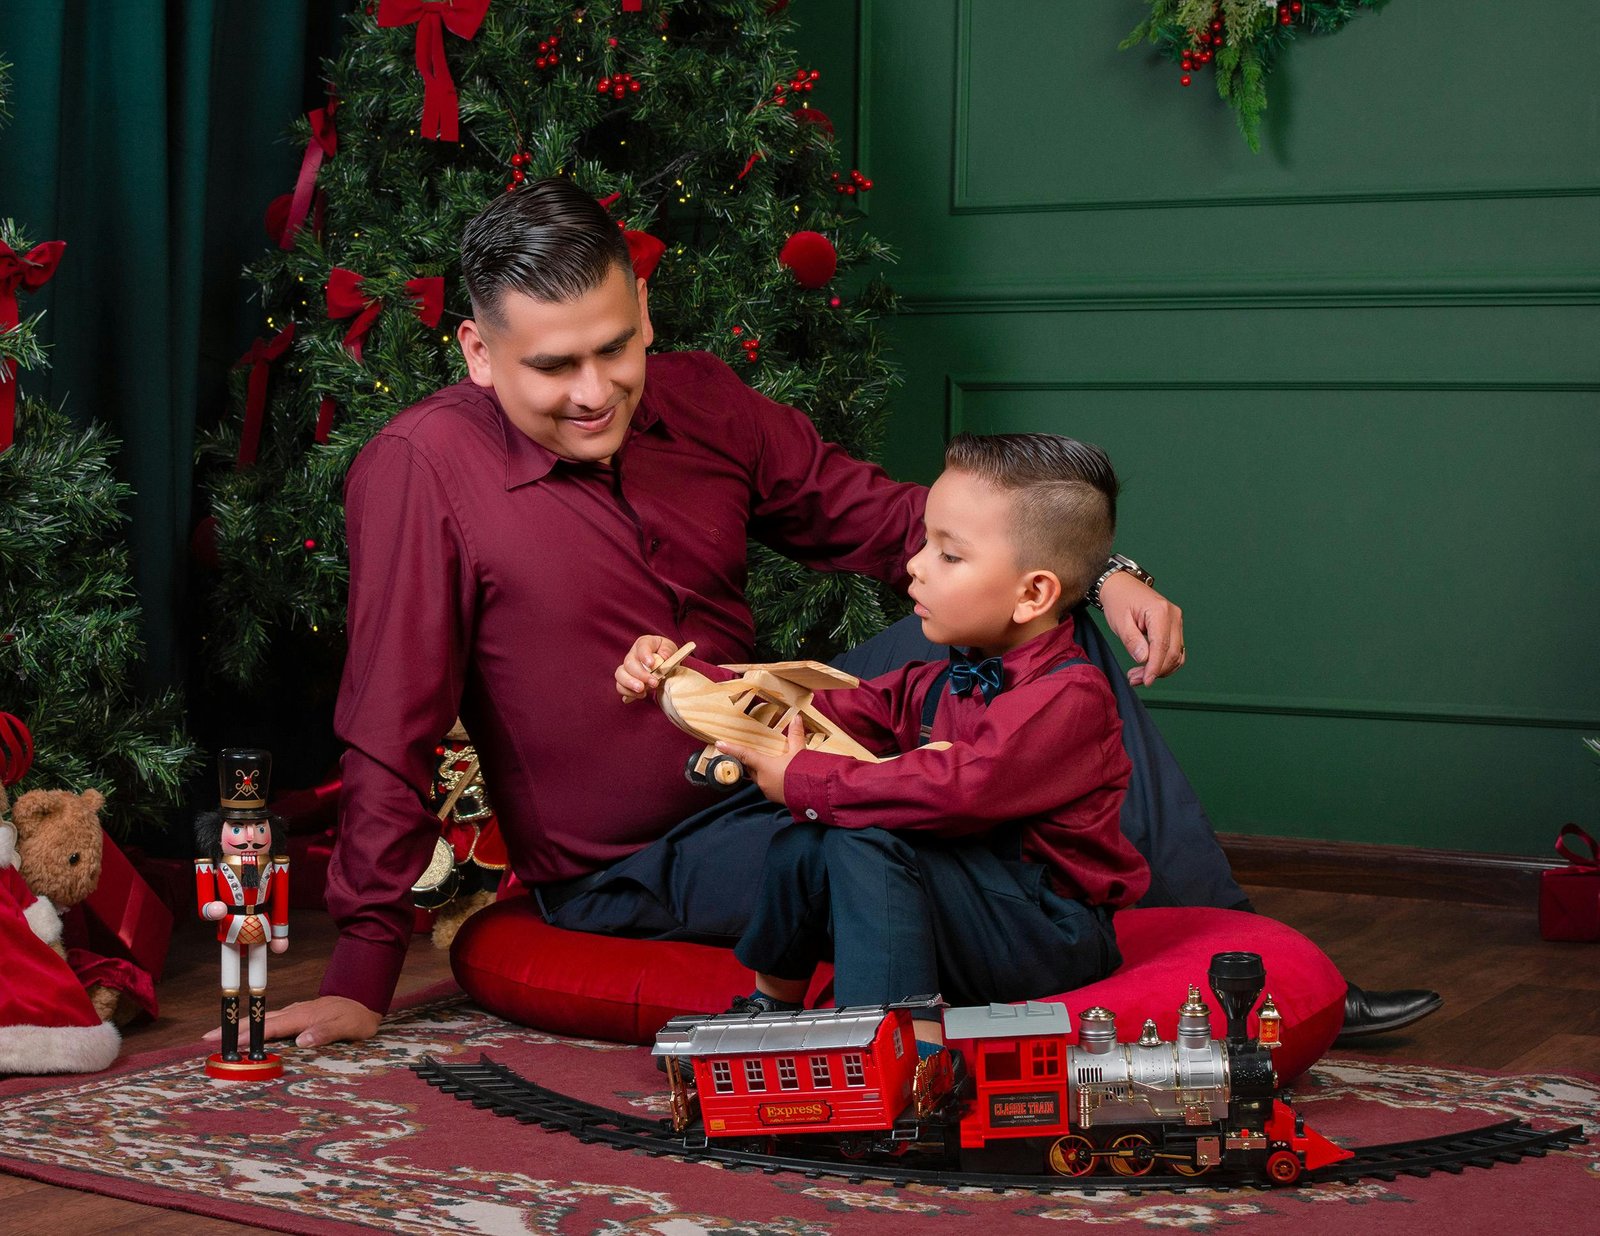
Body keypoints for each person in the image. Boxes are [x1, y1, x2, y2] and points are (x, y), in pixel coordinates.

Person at [246, 177, 1436, 1050]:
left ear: (644, 311)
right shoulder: (420, 470)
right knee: (893, 829)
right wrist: (361, 971)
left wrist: (1101, 568)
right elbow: (386, 721)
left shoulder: (702, 400)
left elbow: (884, 520)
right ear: (476, 353)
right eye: (553, 368)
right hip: (642, 858)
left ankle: (1236, 968)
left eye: (616, 348)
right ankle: (896, 1054)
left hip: (797, 738)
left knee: (1044, 628)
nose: (596, 389)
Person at [620, 433, 1147, 1049]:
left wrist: (805, 779)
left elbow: (961, 788)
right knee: (808, 831)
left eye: (949, 556)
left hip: (1044, 934)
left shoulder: (1069, 698)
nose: (915, 566)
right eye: (925, 542)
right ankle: (773, 1005)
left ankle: (900, 1045)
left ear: (1033, 594)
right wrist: (687, 676)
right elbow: (830, 706)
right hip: (965, 918)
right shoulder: (936, 680)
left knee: (862, 834)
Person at [194, 748, 289, 1077]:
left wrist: (281, 932)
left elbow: (280, 901)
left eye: (258, 829)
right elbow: (205, 904)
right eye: (238, 829)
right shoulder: (210, 866)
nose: (250, 837)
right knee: (231, 986)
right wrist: (212, 908)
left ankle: (258, 1047)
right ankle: (231, 1050)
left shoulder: (276, 865)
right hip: (231, 927)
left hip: (260, 924)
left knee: (259, 987)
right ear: (219, 832)